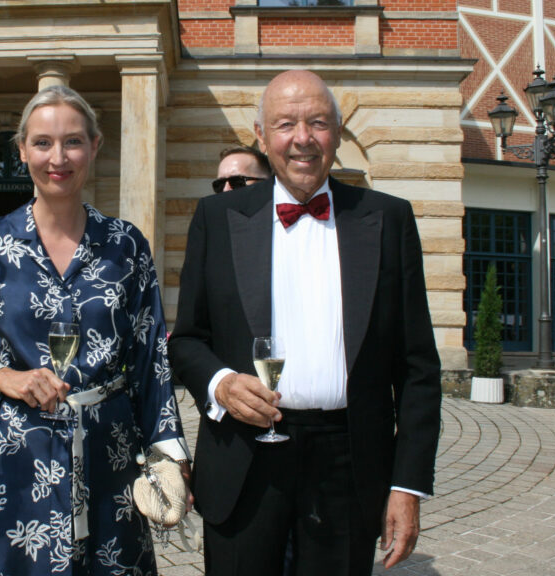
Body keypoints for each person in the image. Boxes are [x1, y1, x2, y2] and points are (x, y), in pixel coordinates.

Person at [168, 70, 442, 575]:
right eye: (285, 124)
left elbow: (418, 366)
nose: (302, 138)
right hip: (245, 458)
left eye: (317, 123)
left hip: (350, 461)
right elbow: (186, 341)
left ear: (337, 134)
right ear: (260, 135)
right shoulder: (217, 217)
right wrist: (221, 383)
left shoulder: (388, 219)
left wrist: (407, 485)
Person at [0, 85, 191, 575]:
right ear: (22, 151)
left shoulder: (126, 245)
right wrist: (3, 376)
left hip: (107, 457)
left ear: (95, 147)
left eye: (73, 142)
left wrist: (166, 451)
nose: (58, 157)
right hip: (9, 460)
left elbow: (150, 358)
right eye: (42, 143)